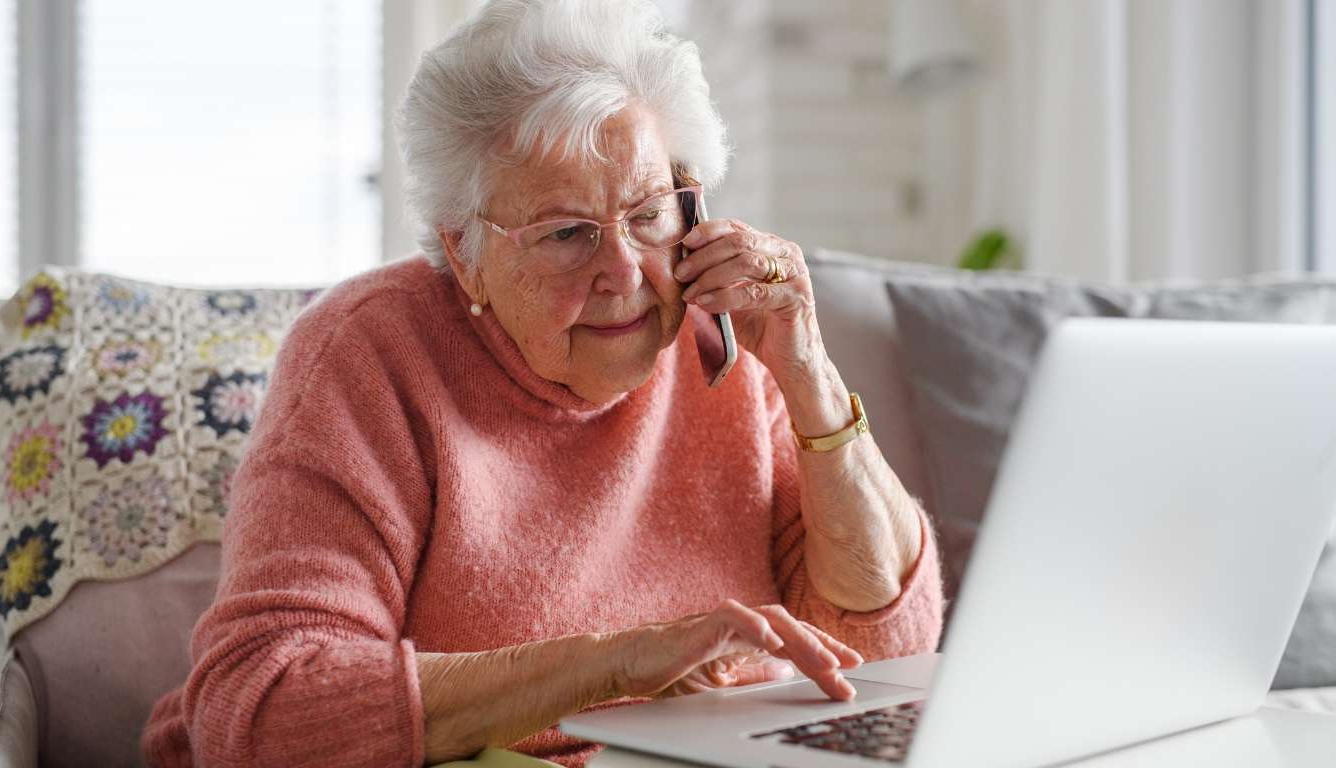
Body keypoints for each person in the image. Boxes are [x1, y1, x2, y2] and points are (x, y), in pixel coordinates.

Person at [141, 1, 943, 765]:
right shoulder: (368, 358)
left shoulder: (723, 345)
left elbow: (884, 655)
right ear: (466, 256)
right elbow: (264, 713)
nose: (623, 270)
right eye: (567, 233)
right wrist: (611, 665)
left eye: (648, 214)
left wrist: (810, 377)